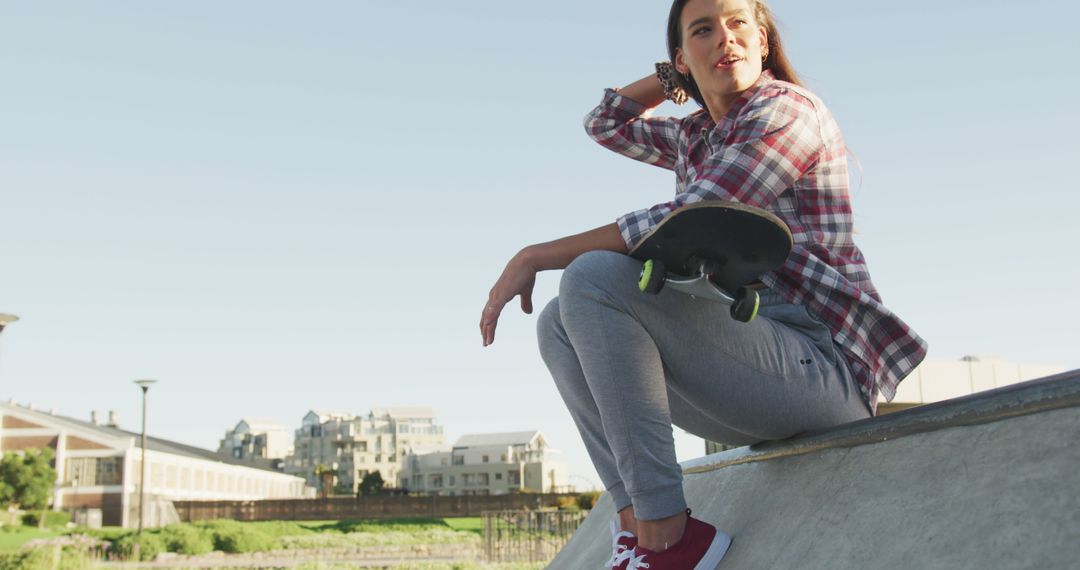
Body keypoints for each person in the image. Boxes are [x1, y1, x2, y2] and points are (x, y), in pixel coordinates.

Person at [480, 0, 927, 567]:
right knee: (557, 322)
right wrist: (672, 80)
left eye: (740, 23)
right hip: (749, 364)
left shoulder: (789, 112)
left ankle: (672, 541)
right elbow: (605, 124)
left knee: (591, 277)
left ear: (764, 41)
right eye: (704, 30)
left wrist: (536, 255)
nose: (726, 39)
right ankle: (636, 534)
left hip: (822, 367)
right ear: (682, 58)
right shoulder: (696, 135)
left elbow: (700, 209)